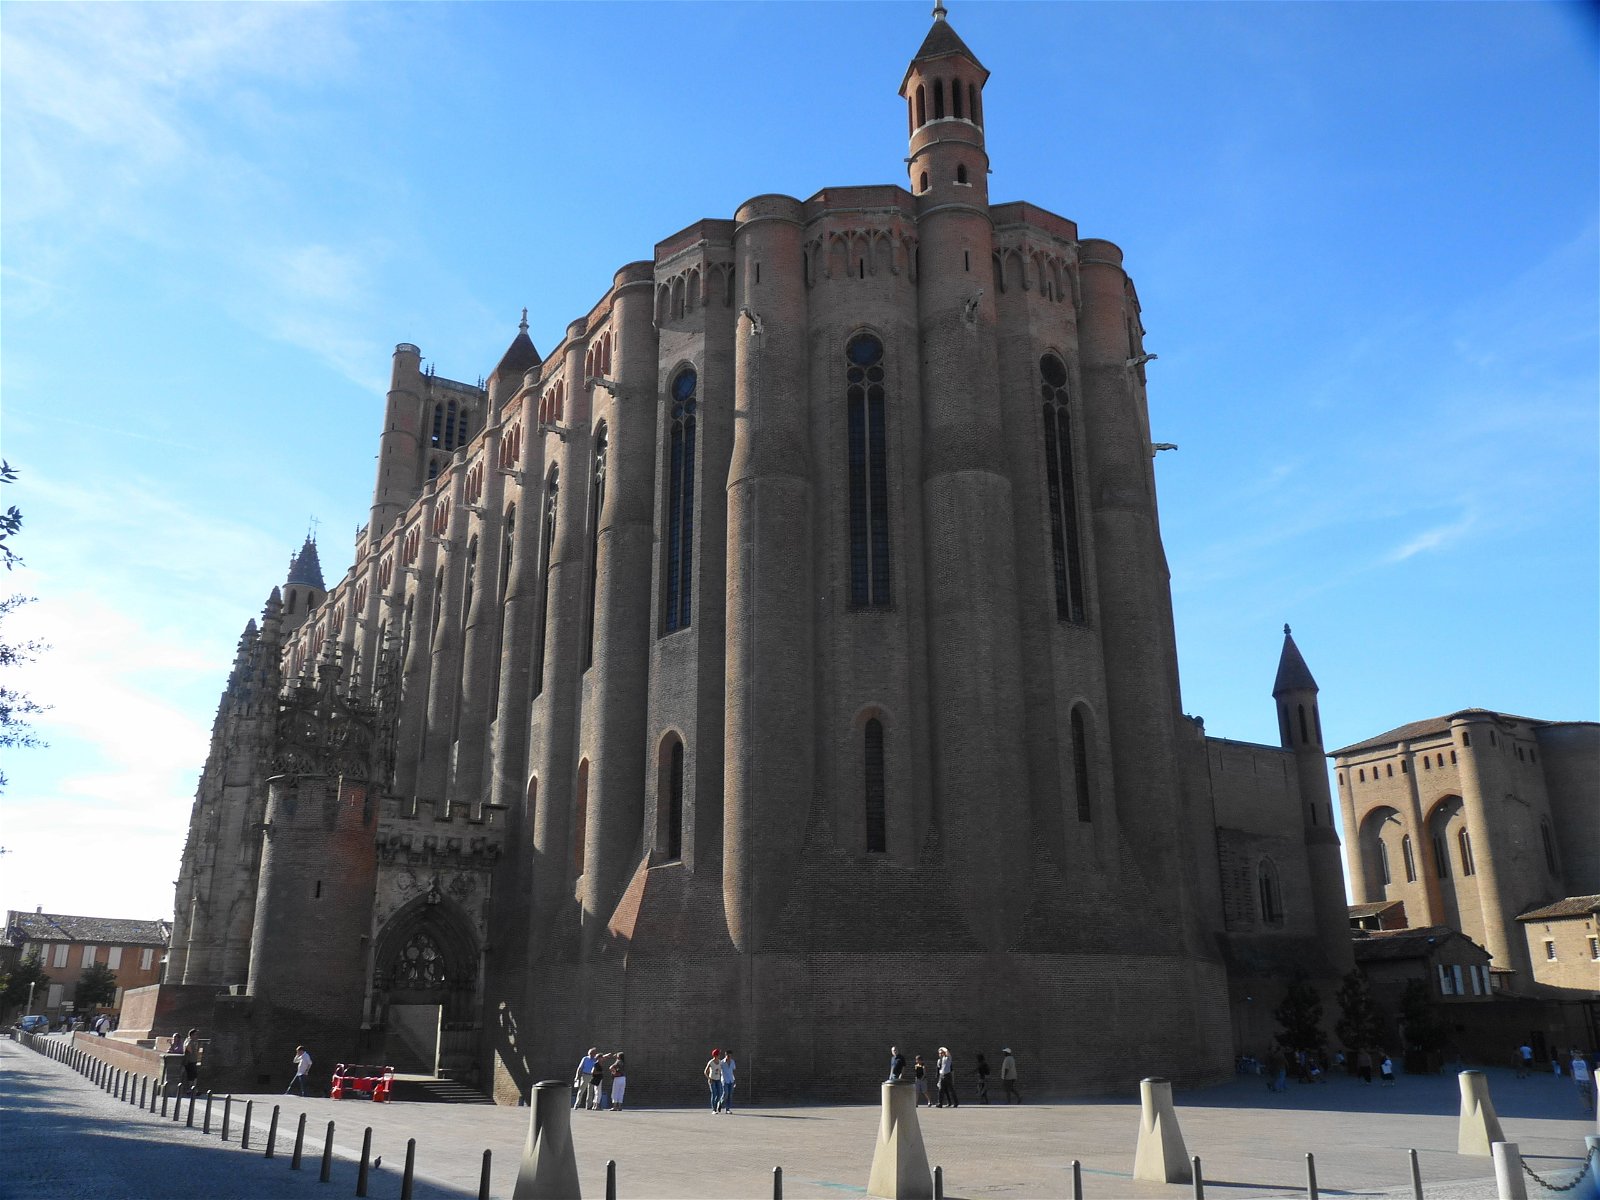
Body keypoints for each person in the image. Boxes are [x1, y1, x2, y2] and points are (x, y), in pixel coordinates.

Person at [182, 1029, 202, 1094]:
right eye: (196, 1034)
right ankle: (191, 1089)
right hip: (190, 1061)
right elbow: (188, 1047)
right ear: (192, 1035)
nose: (197, 1036)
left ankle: (193, 1089)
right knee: (192, 1076)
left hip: (191, 1061)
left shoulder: (189, 1040)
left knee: (193, 1076)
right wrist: (193, 1052)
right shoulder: (189, 1041)